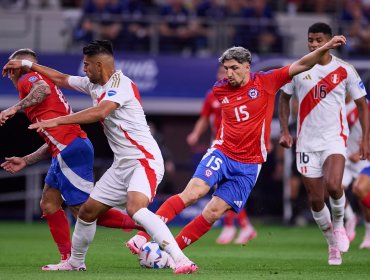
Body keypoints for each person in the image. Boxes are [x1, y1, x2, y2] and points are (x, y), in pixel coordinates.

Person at [123, 34, 347, 259]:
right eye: (226, 68)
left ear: (247, 67)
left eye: (234, 68)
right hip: (222, 152)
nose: (228, 73)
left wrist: (326, 47)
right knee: (193, 193)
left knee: (212, 212)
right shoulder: (220, 89)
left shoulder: (267, 82)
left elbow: (303, 63)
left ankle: (171, 254)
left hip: (250, 165)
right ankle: (142, 236)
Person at [3, 40, 197, 274]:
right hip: (122, 164)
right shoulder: (93, 84)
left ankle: (181, 259)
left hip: (143, 159)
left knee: (136, 208)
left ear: (98, 65)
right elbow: (61, 78)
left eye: (86, 65)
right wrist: (29, 64)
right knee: (87, 212)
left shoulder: (121, 85)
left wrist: (57, 120)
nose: (83, 69)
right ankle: (75, 262)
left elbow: (100, 112)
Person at [0, 48, 143, 269]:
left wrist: (15, 108)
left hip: (72, 150)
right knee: (49, 203)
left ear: (19, 67)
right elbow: (52, 141)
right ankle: (67, 259)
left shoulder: (30, 79)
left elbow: (43, 89)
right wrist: (26, 160)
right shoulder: (33, 81)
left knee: (84, 212)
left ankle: (144, 225)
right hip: (66, 150)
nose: (9, 73)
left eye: (11, 68)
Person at [278, 22, 369, 266]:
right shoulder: (298, 68)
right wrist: (286, 131)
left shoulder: (345, 70)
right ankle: (332, 245)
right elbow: (284, 99)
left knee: (333, 185)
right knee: (315, 200)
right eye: (311, 40)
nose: (314, 44)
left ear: (328, 41)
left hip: (334, 138)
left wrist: (365, 140)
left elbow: (362, 105)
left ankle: (339, 226)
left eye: (319, 40)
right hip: (306, 143)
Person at [187, 64, 257, 245]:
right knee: (223, 188)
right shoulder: (213, 95)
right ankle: (243, 225)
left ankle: (233, 226)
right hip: (219, 146)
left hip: (240, 149)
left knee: (227, 189)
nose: (224, 75)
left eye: (226, 71)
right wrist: (195, 133)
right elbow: (204, 118)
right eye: (221, 72)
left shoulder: (243, 93)